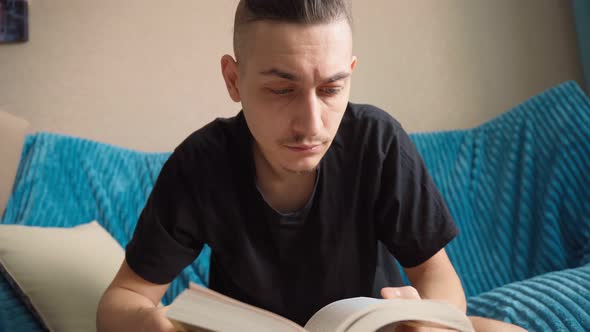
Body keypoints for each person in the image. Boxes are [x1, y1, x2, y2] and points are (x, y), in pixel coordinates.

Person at [97, 1, 526, 331]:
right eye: (282, 90)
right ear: (233, 80)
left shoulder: (377, 141)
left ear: (350, 75)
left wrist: (430, 321)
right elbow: (123, 298)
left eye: (331, 88)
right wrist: (146, 322)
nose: (311, 124)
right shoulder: (200, 163)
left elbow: (441, 280)